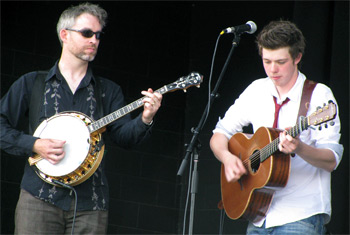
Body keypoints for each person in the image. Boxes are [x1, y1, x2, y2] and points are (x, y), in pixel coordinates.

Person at [0, 2, 162, 234]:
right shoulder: (32, 83)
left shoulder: (109, 90)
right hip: (38, 199)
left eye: (97, 35)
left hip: (91, 205)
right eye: (87, 33)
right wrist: (34, 144)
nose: (94, 40)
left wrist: (146, 118)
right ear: (64, 34)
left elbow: (125, 138)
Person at [210, 20, 343, 234]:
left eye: (280, 62)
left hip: (301, 214)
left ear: (297, 57)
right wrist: (227, 158)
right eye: (267, 61)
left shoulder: (319, 96)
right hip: (258, 215)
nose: (273, 69)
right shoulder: (256, 90)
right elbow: (219, 134)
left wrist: (300, 148)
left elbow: (332, 160)